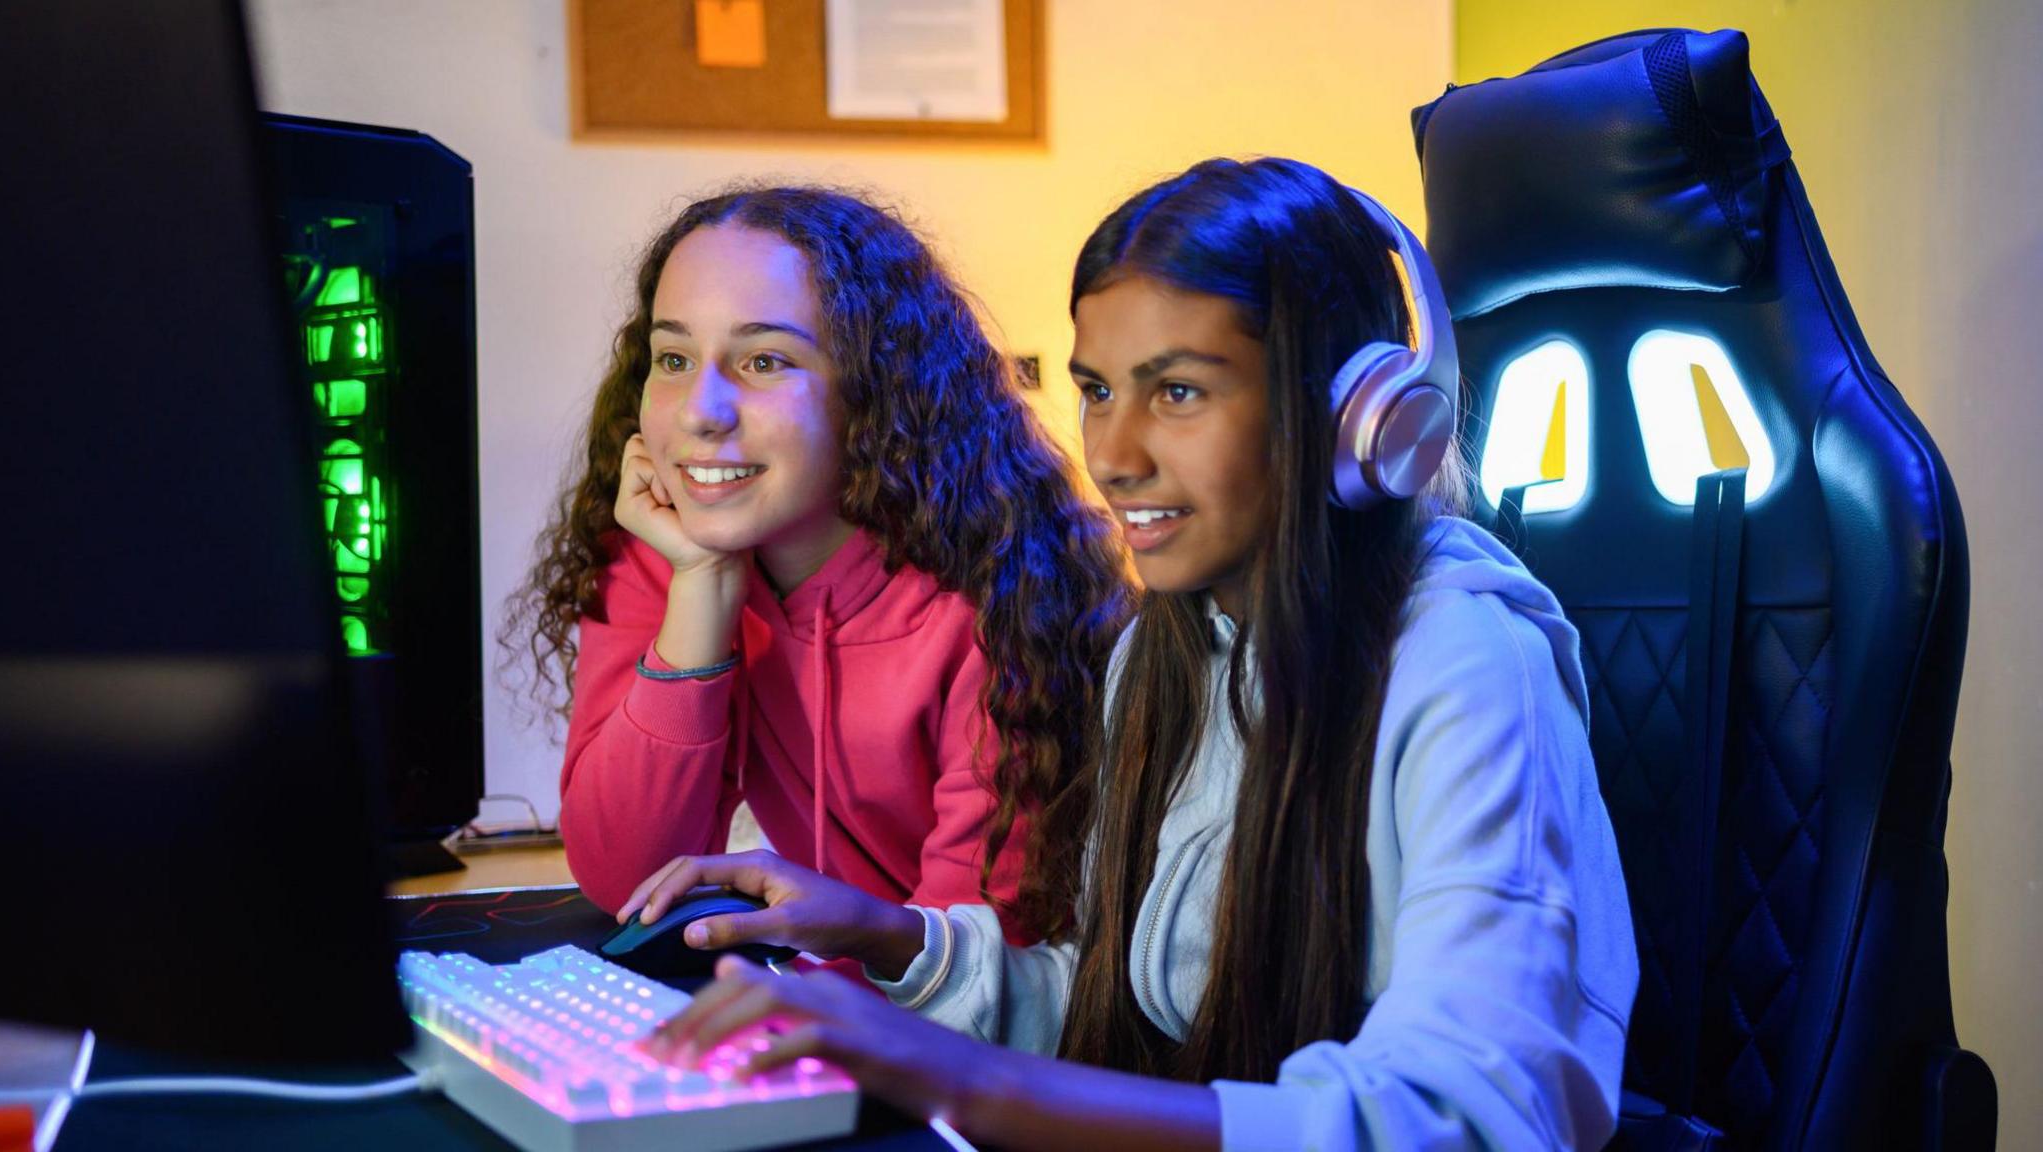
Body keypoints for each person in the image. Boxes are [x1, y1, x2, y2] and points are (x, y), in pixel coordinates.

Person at [630, 158, 1637, 1151]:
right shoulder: (1168, 652)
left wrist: (961, 1076)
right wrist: (886, 935)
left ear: (1354, 419)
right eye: (1097, 391)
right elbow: (1132, 1000)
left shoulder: (1463, 663)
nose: (1112, 454)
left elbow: (1465, 1115)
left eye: (1178, 393)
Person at [504, 186, 1131, 940]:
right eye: (673, 357)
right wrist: (700, 591)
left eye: (764, 360)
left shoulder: (1001, 599)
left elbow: (984, 970)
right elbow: (625, 881)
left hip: (993, 1035)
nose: (702, 410)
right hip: (838, 1006)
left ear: (873, 390)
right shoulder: (668, 554)